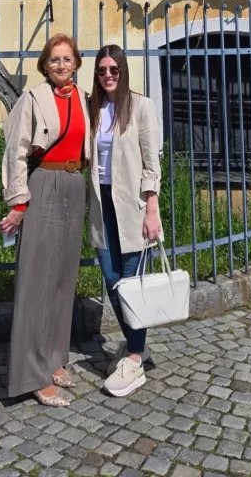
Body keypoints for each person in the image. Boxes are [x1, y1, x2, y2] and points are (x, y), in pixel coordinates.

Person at [0, 34, 90, 407]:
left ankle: (54, 359)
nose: (61, 65)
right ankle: (32, 375)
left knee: (62, 280)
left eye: (67, 59)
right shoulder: (33, 98)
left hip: (75, 183)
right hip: (44, 184)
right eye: (54, 59)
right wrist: (18, 203)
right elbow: (15, 150)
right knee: (36, 281)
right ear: (45, 64)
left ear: (76, 63)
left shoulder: (84, 99)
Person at [88, 44, 162, 398]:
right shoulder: (93, 108)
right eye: (102, 70)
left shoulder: (141, 107)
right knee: (113, 279)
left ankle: (133, 356)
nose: (108, 75)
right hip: (101, 204)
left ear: (123, 70)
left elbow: (152, 163)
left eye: (113, 70)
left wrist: (152, 208)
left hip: (132, 204)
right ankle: (137, 346)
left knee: (132, 284)